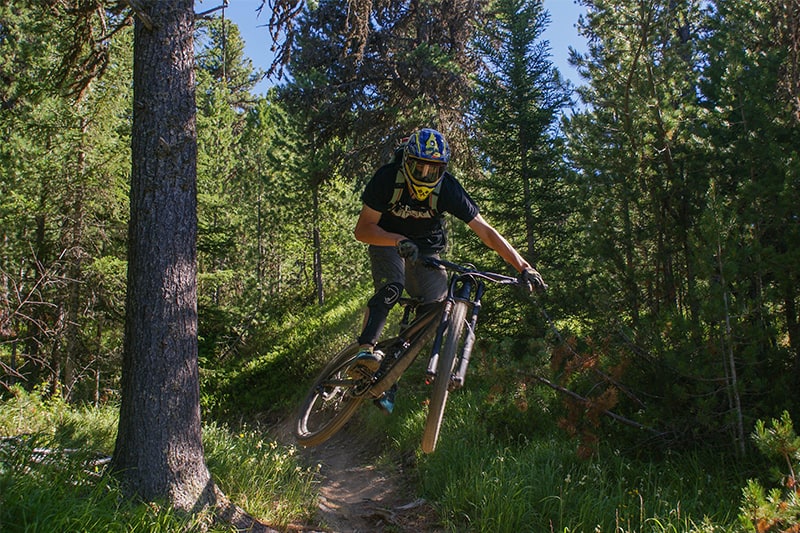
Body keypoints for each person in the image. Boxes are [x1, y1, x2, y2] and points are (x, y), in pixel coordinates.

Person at [352, 127, 546, 413]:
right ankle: (365, 351)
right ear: (406, 162)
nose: (425, 175)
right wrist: (397, 240)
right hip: (386, 241)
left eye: (434, 169)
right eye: (420, 167)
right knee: (391, 287)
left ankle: (388, 377)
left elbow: (487, 232)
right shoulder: (386, 179)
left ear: (442, 169)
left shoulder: (448, 189)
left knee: (434, 312)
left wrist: (523, 266)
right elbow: (362, 230)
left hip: (428, 251)